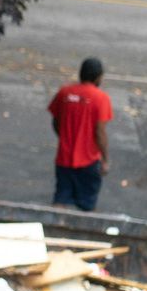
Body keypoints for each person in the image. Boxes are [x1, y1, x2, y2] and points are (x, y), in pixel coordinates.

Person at [47, 58, 112, 212]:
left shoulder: (65, 93)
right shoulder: (101, 99)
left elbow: (56, 122)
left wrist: (64, 138)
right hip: (88, 161)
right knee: (88, 205)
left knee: (60, 200)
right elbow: (100, 133)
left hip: (64, 159)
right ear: (98, 77)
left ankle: (53, 229)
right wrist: (105, 159)